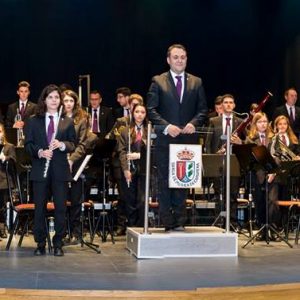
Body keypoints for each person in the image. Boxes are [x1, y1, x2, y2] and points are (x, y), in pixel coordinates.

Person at [147, 44, 208, 232]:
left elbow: (203, 110)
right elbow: (151, 109)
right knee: (165, 182)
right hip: (166, 141)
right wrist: (166, 126)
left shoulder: (196, 82)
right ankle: (167, 221)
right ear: (168, 60)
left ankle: (180, 221)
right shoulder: (158, 81)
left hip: (187, 142)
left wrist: (194, 123)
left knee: (183, 181)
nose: (179, 60)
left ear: (186, 59)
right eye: (176, 57)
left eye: (183, 57)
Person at [24, 84, 76, 256]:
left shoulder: (67, 121)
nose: (54, 100)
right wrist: (40, 152)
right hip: (41, 169)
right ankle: (40, 242)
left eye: (56, 97)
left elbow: (72, 144)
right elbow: (28, 145)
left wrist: (61, 145)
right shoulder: (33, 120)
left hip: (60, 170)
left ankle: (58, 243)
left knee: (61, 208)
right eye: (51, 97)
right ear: (44, 100)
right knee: (40, 208)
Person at [106, 93, 144, 235]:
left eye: (139, 106)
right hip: (123, 164)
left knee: (139, 198)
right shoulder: (122, 122)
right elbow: (115, 142)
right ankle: (122, 225)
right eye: (134, 106)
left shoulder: (146, 126)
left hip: (140, 166)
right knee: (124, 197)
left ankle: (138, 226)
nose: (137, 110)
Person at [62, 89, 89, 244]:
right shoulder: (58, 118)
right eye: (66, 101)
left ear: (75, 102)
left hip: (76, 163)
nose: (68, 104)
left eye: (71, 101)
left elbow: (83, 144)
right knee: (62, 200)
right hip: (60, 163)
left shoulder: (82, 120)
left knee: (76, 200)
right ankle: (63, 231)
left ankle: (76, 233)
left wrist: (71, 160)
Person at [117, 104, 148, 227]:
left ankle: (141, 227)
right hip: (130, 169)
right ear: (132, 113)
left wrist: (139, 155)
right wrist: (125, 170)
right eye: (137, 112)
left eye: (142, 112)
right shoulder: (125, 131)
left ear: (146, 114)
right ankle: (131, 228)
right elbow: (121, 151)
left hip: (145, 170)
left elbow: (154, 151)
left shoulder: (150, 130)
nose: (139, 114)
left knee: (142, 200)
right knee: (129, 201)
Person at [245, 112, 274, 237]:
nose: (263, 124)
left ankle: (272, 227)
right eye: (260, 122)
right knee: (259, 201)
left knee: (271, 201)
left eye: (265, 121)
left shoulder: (273, 137)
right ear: (255, 124)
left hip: (271, 174)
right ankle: (262, 228)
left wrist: (272, 171)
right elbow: (248, 158)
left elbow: (276, 155)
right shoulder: (250, 139)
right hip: (256, 173)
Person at [0, 123, 16, 238]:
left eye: (0, 131)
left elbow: (14, 162)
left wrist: (5, 158)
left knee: (2, 206)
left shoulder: (9, 147)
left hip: (4, 180)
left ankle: (2, 228)